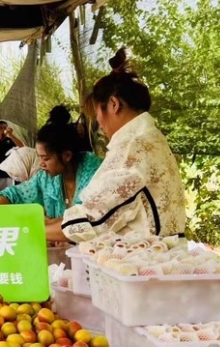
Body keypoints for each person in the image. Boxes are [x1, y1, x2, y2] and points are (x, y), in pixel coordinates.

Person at [55, 48, 187, 243]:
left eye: (98, 115)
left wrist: (33, 229)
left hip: (144, 262)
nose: (99, 125)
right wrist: (51, 224)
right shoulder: (152, 138)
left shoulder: (134, 146)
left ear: (114, 104)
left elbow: (93, 221)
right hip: (161, 257)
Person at [0, 107, 102, 225]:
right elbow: (14, 195)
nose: (41, 164)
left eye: (46, 158)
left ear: (67, 156)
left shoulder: (95, 173)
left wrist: (51, 225)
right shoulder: (46, 178)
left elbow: (89, 218)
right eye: (39, 157)